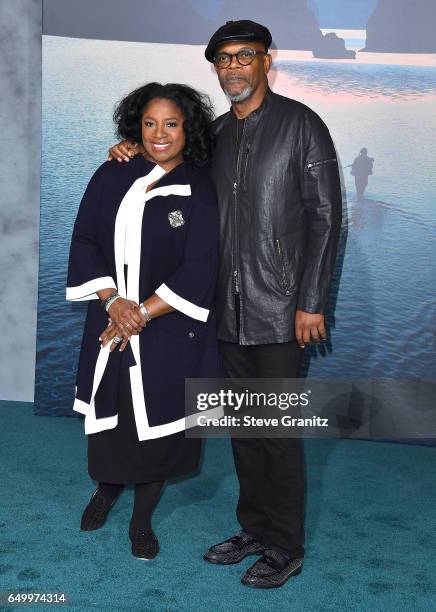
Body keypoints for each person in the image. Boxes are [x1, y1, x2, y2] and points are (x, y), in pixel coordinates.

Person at [109, 20, 342, 588]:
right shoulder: (215, 134)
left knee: (277, 433)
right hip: (223, 312)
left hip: (283, 310)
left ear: (266, 60)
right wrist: (133, 149)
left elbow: (327, 219)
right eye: (224, 59)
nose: (233, 67)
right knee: (241, 426)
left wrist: (311, 302)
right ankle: (254, 529)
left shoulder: (303, 125)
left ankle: (286, 545)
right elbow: (171, 172)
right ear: (215, 67)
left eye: (245, 56)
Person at [66, 83, 221, 560]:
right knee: (110, 423)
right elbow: (85, 240)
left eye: (171, 124)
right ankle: (106, 490)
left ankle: (141, 522)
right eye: (149, 123)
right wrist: (113, 302)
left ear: (187, 128)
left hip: (170, 328)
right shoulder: (112, 175)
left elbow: (199, 268)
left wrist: (141, 314)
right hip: (110, 319)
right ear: (136, 126)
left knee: (158, 430)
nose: (159, 134)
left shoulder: (199, 187)